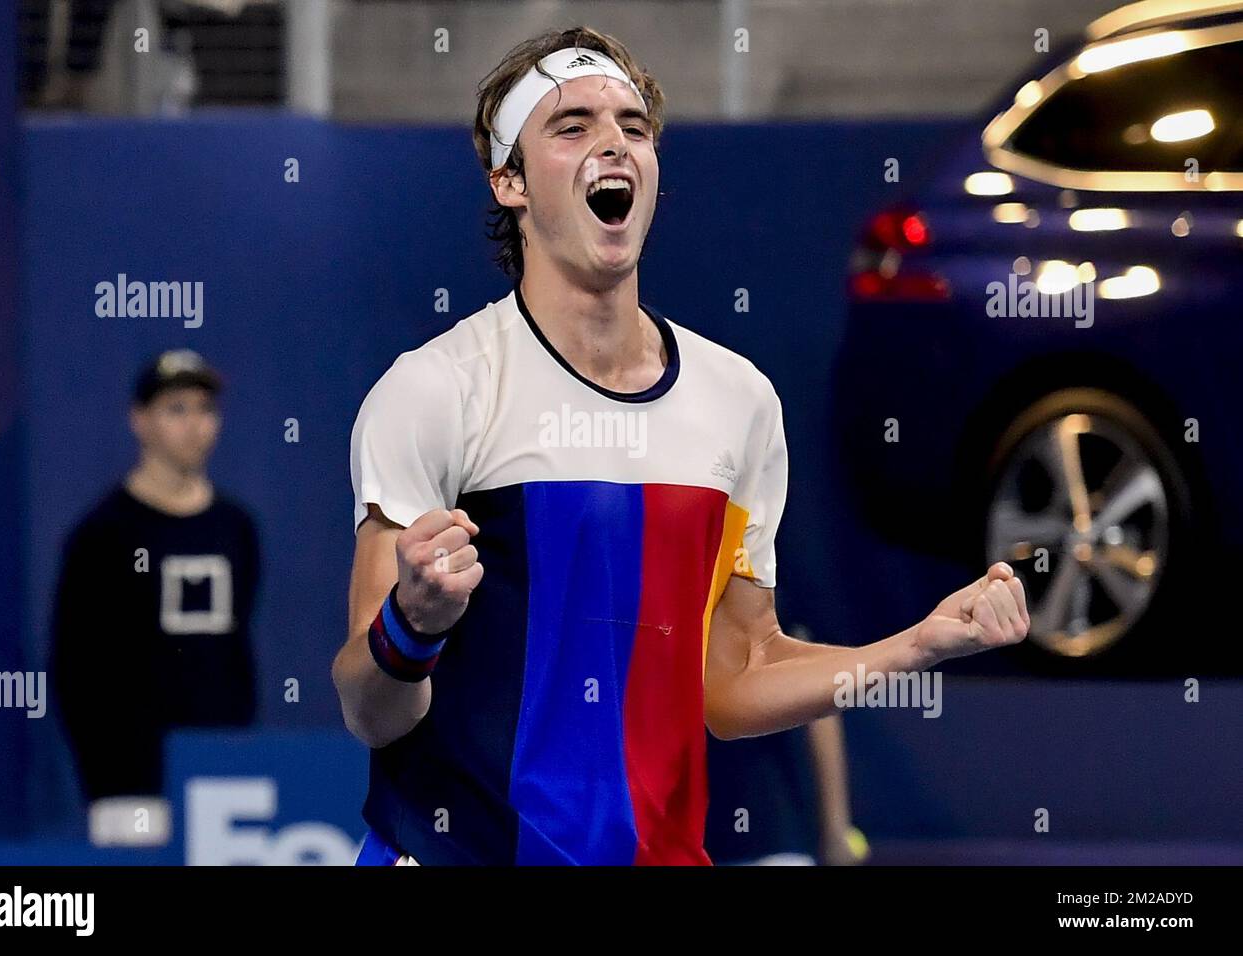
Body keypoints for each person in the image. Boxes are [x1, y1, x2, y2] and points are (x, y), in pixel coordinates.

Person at [333, 27, 1029, 866]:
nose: (612, 144)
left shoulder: (738, 403)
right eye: (573, 126)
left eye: (633, 126)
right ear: (508, 180)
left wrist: (913, 645)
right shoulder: (434, 391)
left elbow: (734, 682)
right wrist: (412, 624)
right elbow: (370, 711)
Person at [51, 349, 259, 806]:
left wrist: (240, 756)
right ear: (139, 420)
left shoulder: (234, 527)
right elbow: (74, 669)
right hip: (130, 782)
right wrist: (106, 780)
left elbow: (236, 652)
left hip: (220, 777)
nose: (194, 425)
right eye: (176, 409)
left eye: (205, 409)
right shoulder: (103, 534)